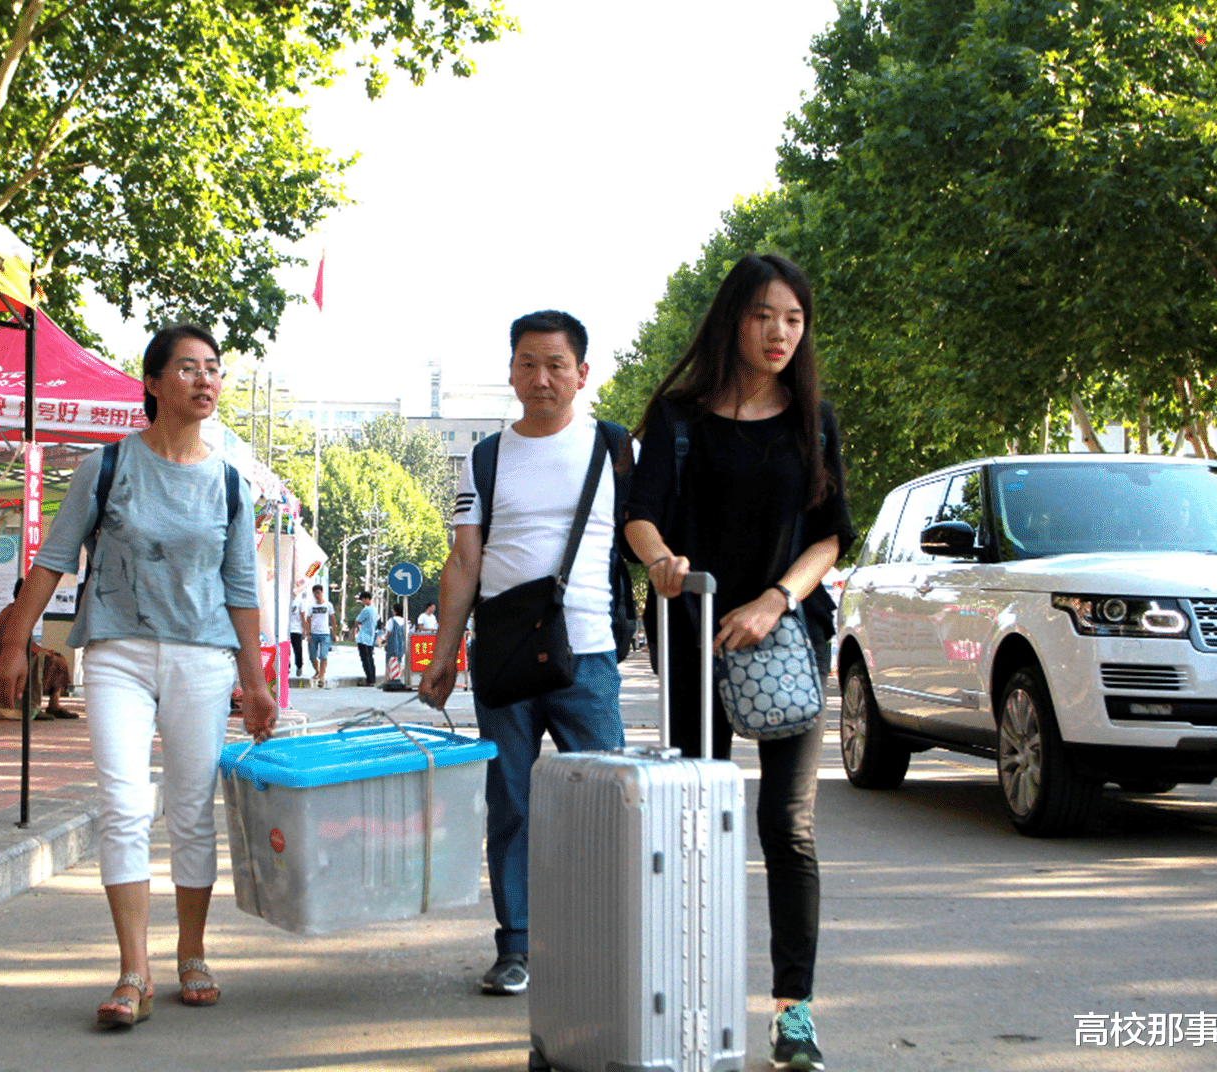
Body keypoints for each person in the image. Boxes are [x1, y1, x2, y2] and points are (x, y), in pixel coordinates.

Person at [0, 323, 275, 1027]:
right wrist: (15, 643)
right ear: (152, 383)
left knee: (189, 812)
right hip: (117, 651)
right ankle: (133, 972)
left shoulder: (232, 485)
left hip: (202, 661)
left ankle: (192, 952)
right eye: (187, 368)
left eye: (213, 369)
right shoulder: (108, 466)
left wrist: (257, 679)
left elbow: (241, 588)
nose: (204, 380)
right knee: (122, 807)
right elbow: (54, 558)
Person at [623, 254, 856, 1072]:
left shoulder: (812, 420)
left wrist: (774, 601)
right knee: (697, 822)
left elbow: (831, 535)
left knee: (785, 829)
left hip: (786, 641)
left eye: (793, 319)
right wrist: (661, 561)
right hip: (694, 638)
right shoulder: (679, 417)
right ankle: (694, 994)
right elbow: (639, 517)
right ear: (733, 320)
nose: (781, 333)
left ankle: (795, 1013)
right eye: (765, 316)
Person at [420, 309, 626, 996]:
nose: (542, 378)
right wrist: (444, 655)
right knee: (508, 801)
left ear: (582, 373)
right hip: (504, 659)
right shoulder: (485, 456)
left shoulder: (616, 449)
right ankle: (516, 946)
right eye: (528, 364)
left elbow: (648, 534)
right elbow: (463, 561)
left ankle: (603, 937)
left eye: (556, 364)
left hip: (588, 657)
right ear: (511, 373)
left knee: (608, 801)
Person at [0, 578, 75, 721]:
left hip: (14, 657)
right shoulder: (13, 613)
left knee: (57, 658)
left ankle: (54, 704)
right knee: (52, 660)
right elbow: (19, 645)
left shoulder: (18, 612)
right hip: (3, 664)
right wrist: (46, 653)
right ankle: (32, 706)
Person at [302, 583, 336, 687]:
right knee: (312, 657)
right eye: (315, 593)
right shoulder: (311, 606)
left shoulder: (328, 605)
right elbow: (307, 620)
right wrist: (308, 634)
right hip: (313, 634)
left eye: (318, 593)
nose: (317, 595)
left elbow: (333, 619)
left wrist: (334, 633)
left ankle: (322, 678)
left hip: (325, 634)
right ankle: (317, 671)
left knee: (323, 656)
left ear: (322, 593)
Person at [354, 590, 377, 686]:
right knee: (370, 659)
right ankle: (372, 679)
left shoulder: (366, 610)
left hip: (363, 638)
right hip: (370, 638)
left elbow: (357, 621)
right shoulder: (375, 610)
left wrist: (359, 623)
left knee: (365, 660)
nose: (362, 602)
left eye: (363, 599)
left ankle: (369, 680)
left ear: (367, 599)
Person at [288, 590, 306, 677]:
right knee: (285, 649)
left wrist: (304, 630)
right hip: (286, 630)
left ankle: (299, 666)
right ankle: (287, 666)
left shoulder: (299, 602)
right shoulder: (284, 601)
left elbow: (303, 616)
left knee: (298, 649)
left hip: (296, 629)